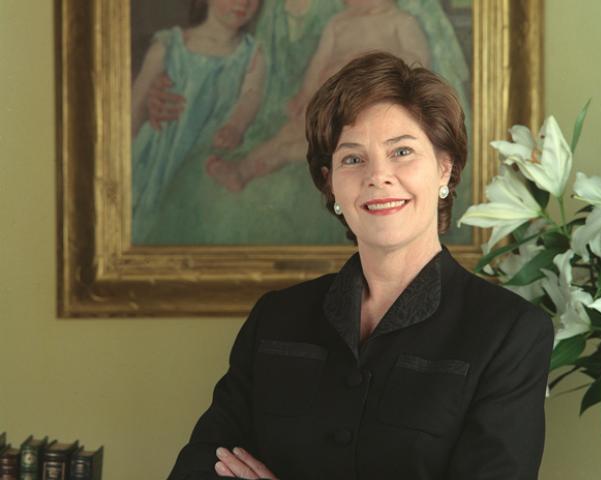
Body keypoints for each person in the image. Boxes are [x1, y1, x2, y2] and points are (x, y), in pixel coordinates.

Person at [167, 52, 554, 480]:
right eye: (353, 158)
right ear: (329, 181)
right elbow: (199, 469)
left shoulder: (510, 332)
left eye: (402, 151)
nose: (378, 176)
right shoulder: (275, 318)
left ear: (445, 168)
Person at [205, 0, 431, 192]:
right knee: (287, 134)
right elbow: (318, 63)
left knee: (317, 146)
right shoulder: (338, 23)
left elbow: (418, 61)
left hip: (369, 106)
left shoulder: (401, 21)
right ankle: (243, 170)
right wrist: (304, 95)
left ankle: (279, 159)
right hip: (327, 102)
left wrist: (374, 60)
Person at [130, 0, 265, 243]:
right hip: (159, 152)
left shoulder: (252, 52)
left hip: (206, 154)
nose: (244, 3)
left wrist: (235, 126)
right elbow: (135, 104)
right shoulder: (170, 45)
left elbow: (251, 97)